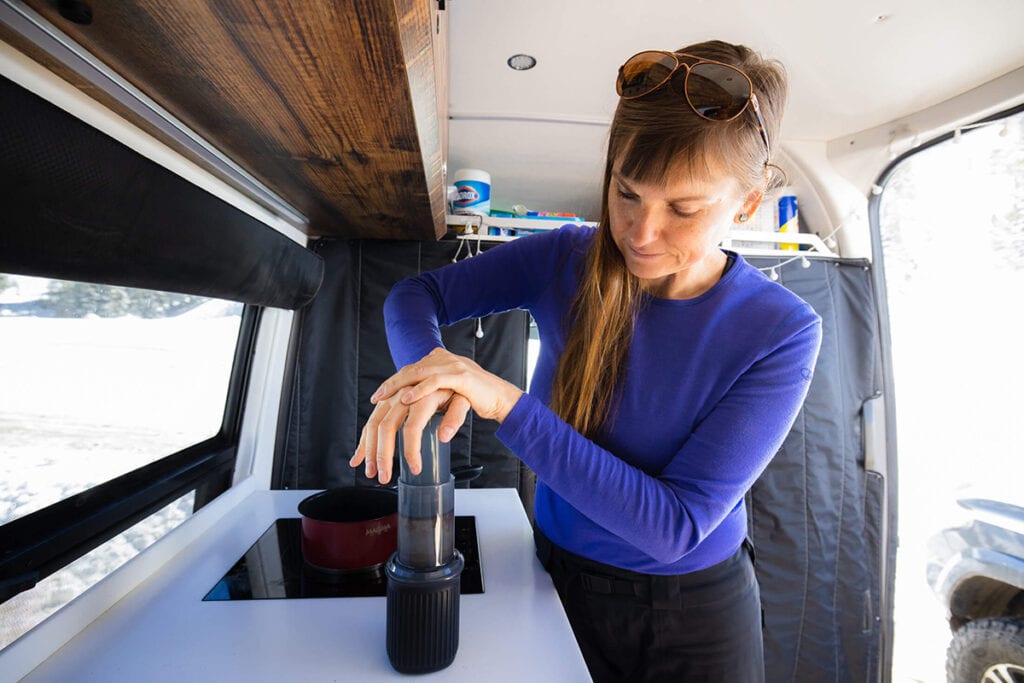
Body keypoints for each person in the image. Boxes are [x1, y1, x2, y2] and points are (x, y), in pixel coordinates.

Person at [351, 39, 822, 682]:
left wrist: (506, 404)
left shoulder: (782, 330)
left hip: (691, 619)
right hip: (551, 576)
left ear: (745, 203)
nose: (640, 232)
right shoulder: (566, 258)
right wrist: (429, 369)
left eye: (683, 208)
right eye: (626, 193)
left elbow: (675, 526)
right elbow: (416, 294)